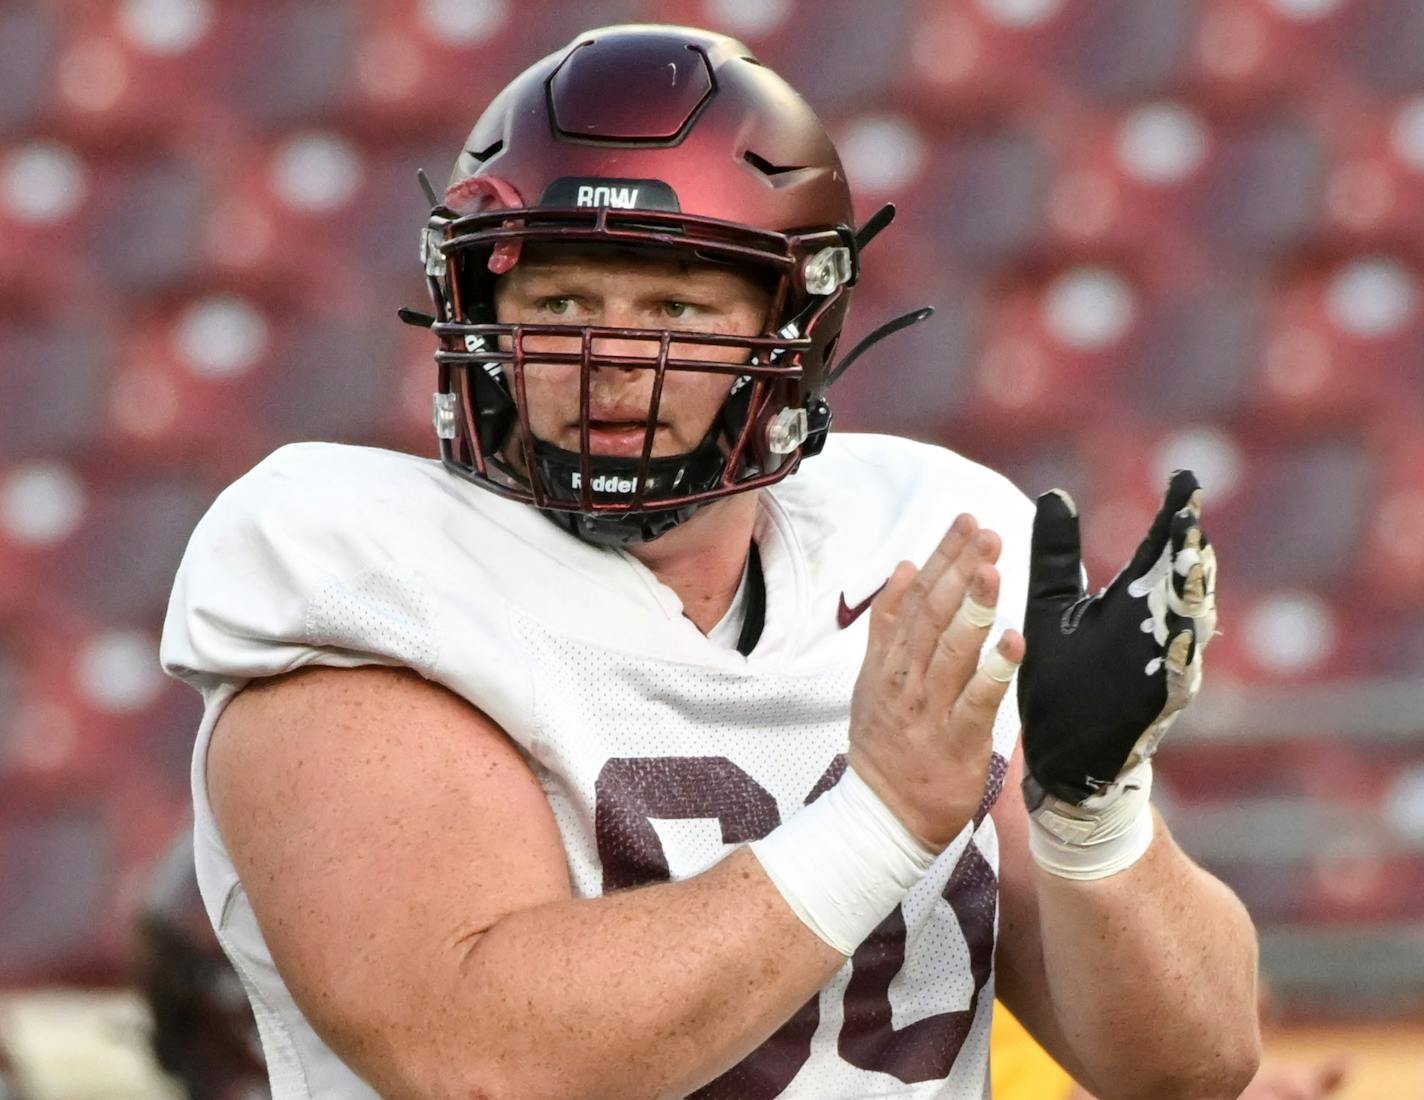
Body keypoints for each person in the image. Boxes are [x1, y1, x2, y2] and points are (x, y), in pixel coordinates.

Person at [160, 24, 1260, 1099]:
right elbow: (485, 1062)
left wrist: (1091, 812)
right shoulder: (361, 569)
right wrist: (875, 822)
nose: (610, 362)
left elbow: (1188, 1066)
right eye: (559, 304)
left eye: (676, 309)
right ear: (479, 312)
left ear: (793, 332)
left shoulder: (926, 546)